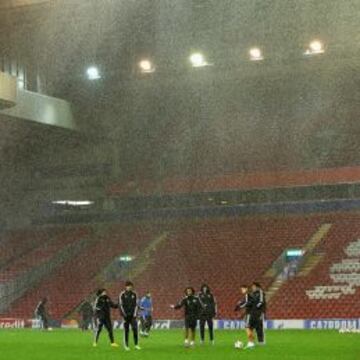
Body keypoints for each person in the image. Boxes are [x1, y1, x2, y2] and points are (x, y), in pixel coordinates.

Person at [119, 281, 141, 351]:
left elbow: (136, 304)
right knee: (126, 330)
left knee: (135, 329)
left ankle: (136, 344)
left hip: (133, 316)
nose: (130, 287)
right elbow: (121, 305)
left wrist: (135, 314)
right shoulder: (122, 294)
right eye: (128, 286)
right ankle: (126, 345)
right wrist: (124, 314)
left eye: (131, 286)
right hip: (125, 316)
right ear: (126, 287)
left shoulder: (134, 294)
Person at [234, 285, 256, 349]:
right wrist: (240, 303)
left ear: (246, 289)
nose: (242, 290)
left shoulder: (247, 294)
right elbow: (246, 302)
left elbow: (247, 303)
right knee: (250, 329)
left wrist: (240, 306)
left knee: (247, 327)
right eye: (241, 289)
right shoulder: (250, 295)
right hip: (253, 313)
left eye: (243, 289)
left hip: (249, 313)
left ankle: (250, 343)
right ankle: (252, 343)